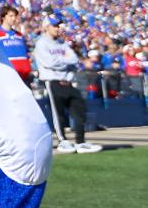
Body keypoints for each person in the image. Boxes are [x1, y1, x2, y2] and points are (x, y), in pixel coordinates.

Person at [33, 17, 100, 153]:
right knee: (58, 114)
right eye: (54, 26)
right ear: (46, 27)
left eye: (58, 26)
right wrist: (65, 61)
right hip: (52, 82)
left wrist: (62, 61)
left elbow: (74, 59)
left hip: (67, 81)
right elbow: (50, 63)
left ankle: (80, 142)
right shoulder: (41, 43)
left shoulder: (62, 43)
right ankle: (62, 140)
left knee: (79, 108)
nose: (58, 28)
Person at [0, 6, 33, 87]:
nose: (14, 18)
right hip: (9, 78)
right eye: (11, 16)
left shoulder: (19, 35)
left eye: (15, 16)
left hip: (25, 78)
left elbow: (26, 54)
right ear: (3, 17)